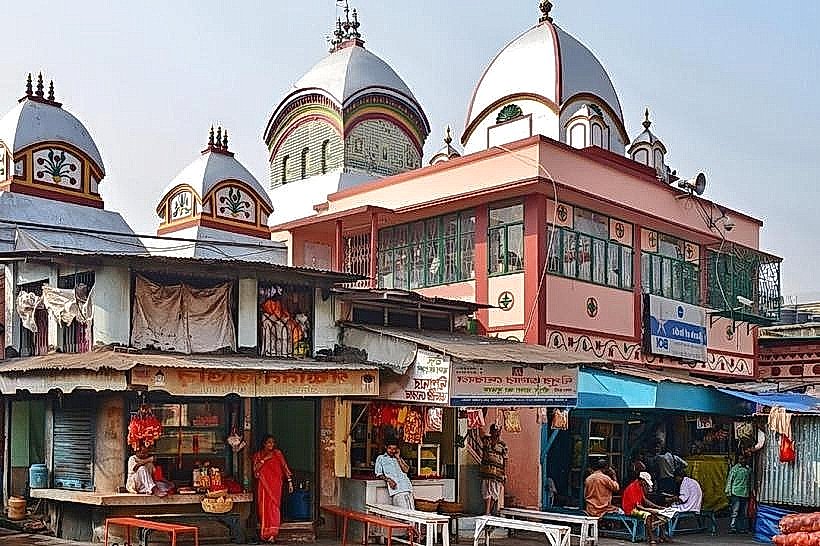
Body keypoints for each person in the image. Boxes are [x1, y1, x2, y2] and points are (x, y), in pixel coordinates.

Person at [253, 434, 294, 543]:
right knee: (264, 509)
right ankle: (266, 533)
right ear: (264, 444)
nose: (271, 444)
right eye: (269, 442)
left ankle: (272, 534)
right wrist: (264, 459)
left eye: (273, 442)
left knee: (274, 508)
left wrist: (290, 482)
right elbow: (255, 471)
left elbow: (285, 467)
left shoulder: (277, 453)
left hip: (276, 486)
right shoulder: (258, 455)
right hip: (264, 486)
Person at [621, 472, 670, 545]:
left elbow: (644, 500)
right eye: (645, 482)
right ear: (642, 480)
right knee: (648, 515)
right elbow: (638, 506)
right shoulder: (632, 487)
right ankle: (651, 539)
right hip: (630, 509)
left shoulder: (639, 486)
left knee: (661, 513)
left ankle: (662, 535)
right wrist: (652, 510)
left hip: (638, 507)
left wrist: (658, 507)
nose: (646, 484)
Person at [374, 440, 415, 510]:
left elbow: (406, 470)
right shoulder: (381, 458)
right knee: (401, 513)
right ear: (386, 447)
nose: (392, 451)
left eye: (394, 449)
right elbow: (378, 473)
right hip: (396, 491)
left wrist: (398, 458)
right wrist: (389, 480)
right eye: (390, 448)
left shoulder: (398, 458)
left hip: (406, 488)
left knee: (410, 513)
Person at [479, 423, 509, 515]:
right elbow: (480, 432)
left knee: (494, 494)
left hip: (497, 473)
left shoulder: (503, 445)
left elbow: (505, 459)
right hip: (487, 472)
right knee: (486, 492)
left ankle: (488, 512)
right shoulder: (486, 440)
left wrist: (505, 473)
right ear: (491, 432)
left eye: (498, 432)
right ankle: (487, 512)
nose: (496, 434)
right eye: (494, 431)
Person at [725, 455, 751, 534]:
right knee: (735, 511)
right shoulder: (735, 469)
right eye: (741, 459)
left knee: (744, 512)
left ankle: (742, 528)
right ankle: (733, 527)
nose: (742, 460)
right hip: (736, 493)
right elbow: (729, 481)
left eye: (744, 459)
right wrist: (728, 491)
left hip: (745, 493)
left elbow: (750, 481)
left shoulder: (748, 469)